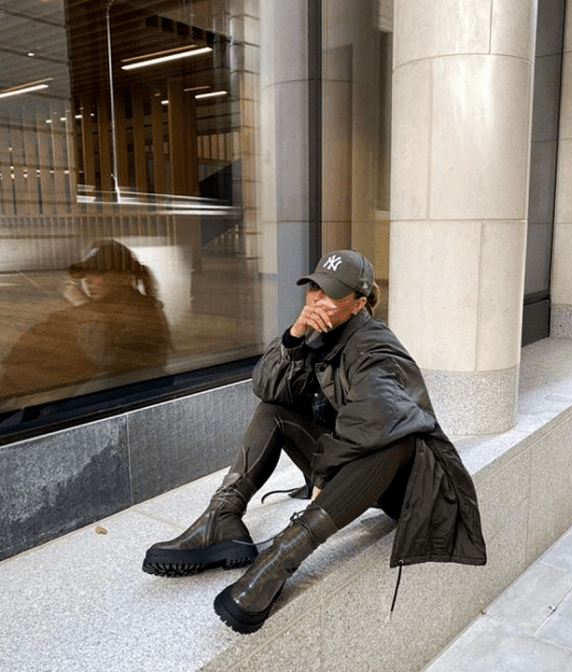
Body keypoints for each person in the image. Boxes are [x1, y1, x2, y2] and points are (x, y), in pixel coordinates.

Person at [142, 250, 486, 634]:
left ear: (359, 303)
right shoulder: (320, 338)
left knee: (396, 439)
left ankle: (281, 557)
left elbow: (377, 418)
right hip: (352, 468)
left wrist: (323, 472)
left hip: (404, 485)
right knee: (274, 411)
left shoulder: (375, 345)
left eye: (332, 293)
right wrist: (294, 337)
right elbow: (267, 387)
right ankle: (221, 519)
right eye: (314, 288)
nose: (318, 300)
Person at [0, 239, 171, 401]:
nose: (88, 280)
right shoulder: (101, 309)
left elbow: (110, 359)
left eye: (98, 272)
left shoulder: (143, 313)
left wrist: (82, 306)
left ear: (123, 277)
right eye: (86, 272)